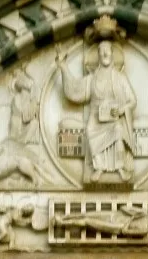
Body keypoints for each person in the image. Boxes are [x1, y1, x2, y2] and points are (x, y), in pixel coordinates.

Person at [57, 40, 137, 182]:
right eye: (102, 51)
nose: (105, 53)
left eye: (108, 51)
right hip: (96, 117)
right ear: (98, 56)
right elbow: (74, 91)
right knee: (90, 131)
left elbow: (132, 100)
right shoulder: (92, 79)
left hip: (114, 118)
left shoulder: (120, 78)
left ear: (112, 54)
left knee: (118, 131)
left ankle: (120, 168)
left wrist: (121, 110)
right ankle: (98, 167)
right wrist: (63, 66)